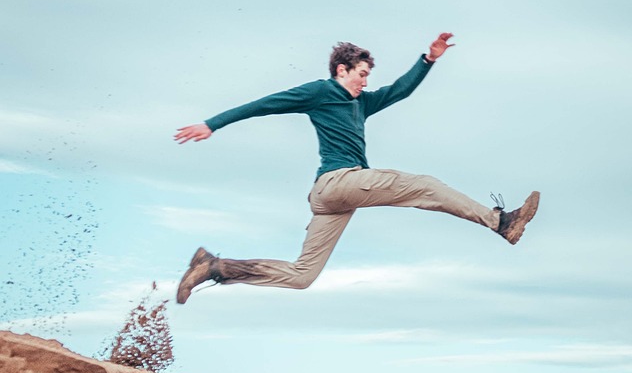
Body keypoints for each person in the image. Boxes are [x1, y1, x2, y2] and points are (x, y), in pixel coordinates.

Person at [172, 33, 538, 304]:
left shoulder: (361, 103)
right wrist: (212, 123)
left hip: (333, 200)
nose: (365, 82)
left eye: (367, 76)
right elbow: (264, 104)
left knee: (302, 276)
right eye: (361, 74)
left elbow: (400, 91)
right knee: (425, 185)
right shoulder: (320, 91)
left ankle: (215, 267)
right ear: (341, 69)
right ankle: (499, 222)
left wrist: (428, 60)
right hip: (339, 182)